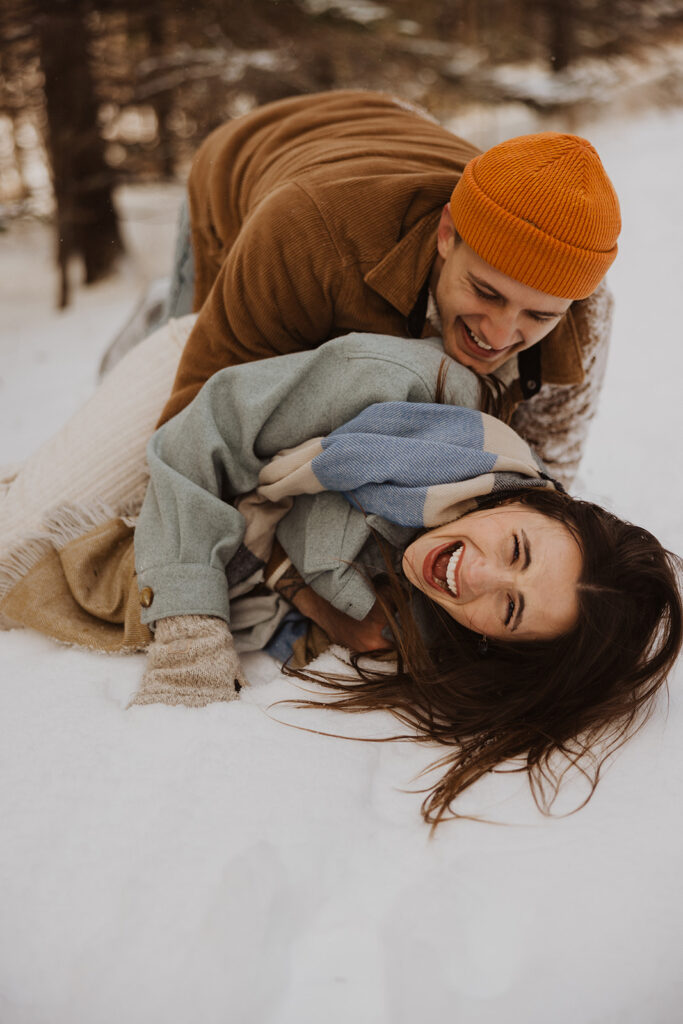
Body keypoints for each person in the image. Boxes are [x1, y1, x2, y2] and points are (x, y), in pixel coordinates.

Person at [1, 328, 679, 829]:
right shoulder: (405, 391)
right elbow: (199, 436)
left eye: (508, 610)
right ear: (520, 500)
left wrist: (315, 607)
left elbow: (292, 597)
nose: (475, 576)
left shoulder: (414, 628)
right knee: (18, 535)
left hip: (229, 483)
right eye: (517, 552)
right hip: (207, 385)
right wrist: (189, 623)